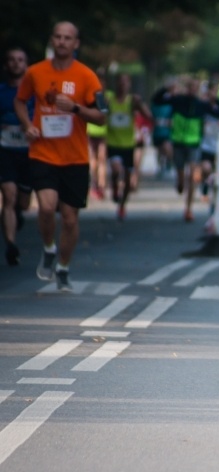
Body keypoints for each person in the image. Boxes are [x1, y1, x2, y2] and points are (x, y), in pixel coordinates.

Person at [14, 21, 106, 291]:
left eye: (68, 38)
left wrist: (76, 108)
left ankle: (63, 267)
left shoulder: (87, 76)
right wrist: (27, 125)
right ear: (52, 40)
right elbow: (20, 100)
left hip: (75, 158)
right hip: (42, 152)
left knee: (69, 218)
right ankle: (48, 247)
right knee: (45, 207)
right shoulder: (35, 72)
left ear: (76, 43)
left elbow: (101, 116)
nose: (62, 42)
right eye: (58, 37)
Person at [152, 77, 219, 222]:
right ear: (187, 88)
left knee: (192, 176)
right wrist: (166, 88)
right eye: (190, 87)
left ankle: (188, 209)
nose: (193, 90)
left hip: (194, 144)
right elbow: (157, 100)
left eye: (195, 87)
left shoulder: (201, 104)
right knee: (181, 178)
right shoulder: (178, 100)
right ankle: (179, 182)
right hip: (178, 142)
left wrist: (215, 99)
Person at [0, 47, 34, 266]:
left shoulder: (35, 94)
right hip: (5, 151)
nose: (15, 63)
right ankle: (11, 246)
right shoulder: (1, 92)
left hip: (29, 153)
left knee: (23, 202)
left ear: (26, 65)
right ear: (6, 65)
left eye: (20, 60)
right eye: (11, 60)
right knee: (8, 195)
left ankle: (17, 214)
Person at [105, 72, 151, 220]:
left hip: (128, 145)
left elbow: (148, 116)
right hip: (113, 143)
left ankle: (122, 205)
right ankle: (114, 187)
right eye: (121, 82)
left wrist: (141, 104)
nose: (123, 85)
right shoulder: (110, 100)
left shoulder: (132, 101)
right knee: (116, 170)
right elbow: (100, 114)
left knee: (127, 178)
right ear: (116, 84)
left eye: (126, 82)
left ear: (129, 85)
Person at [87, 68, 107, 201]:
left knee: (98, 159)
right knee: (97, 159)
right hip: (94, 129)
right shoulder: (105, 95)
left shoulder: (90, 94)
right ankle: (98, 186)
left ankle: (99, 186)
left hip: (99, 130)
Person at [150, 79, 175, 181]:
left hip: (167, 132)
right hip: (158, 131)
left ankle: (169, 165)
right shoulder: (158, 102)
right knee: (160, 151)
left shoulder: (172, 101)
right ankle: (161, 167)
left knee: (167, 148)